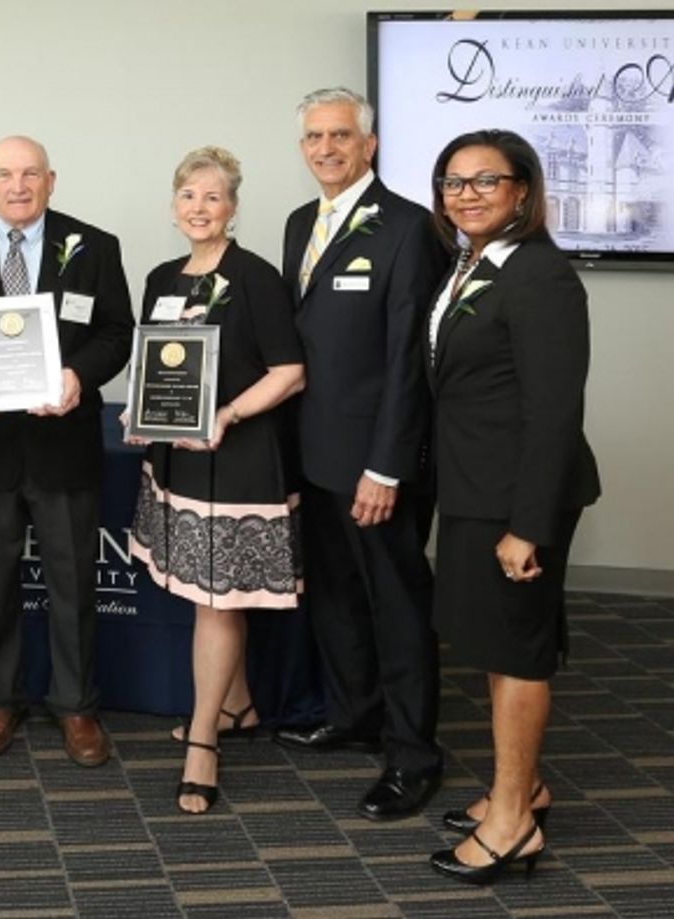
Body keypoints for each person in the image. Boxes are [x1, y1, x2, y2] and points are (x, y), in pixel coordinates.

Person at [0, 136, 133, 767]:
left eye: (31, 174)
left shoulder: (95, 245)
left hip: (63, 444)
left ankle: (76, 705)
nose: (18, 186)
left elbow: (116, 331)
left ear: (51, 180)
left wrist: (78, 376)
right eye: (6, 175)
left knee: (73, 583)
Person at [425, 130, 599, 883]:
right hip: (476, 487)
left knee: (518, 652)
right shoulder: (473, 264)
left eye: (485, 180)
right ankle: (521, 787)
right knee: (499, 647)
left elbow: (554, 412)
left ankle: (511, 824)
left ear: (522, 190)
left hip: (517, 499)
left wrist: (527, 526)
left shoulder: (540, 275)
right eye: (453, 182)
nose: (466, 194)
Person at [275, 87, 449, 819]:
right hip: (314, 454)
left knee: (397, 608)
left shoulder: (410, 228)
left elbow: (411, 360)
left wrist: (386, 467)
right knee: (337, 596)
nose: (326, 148)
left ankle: (413, 755)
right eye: (314, 137)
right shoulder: (299, 223)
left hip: (379, 466)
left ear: (368, 145)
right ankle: (354, 714)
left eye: (340, 135)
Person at [127, 147, 305, 812]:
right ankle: (237, 706)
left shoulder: (255, 277)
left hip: (237, 458)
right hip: (179, 456)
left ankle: (203, 741)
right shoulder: (160, 278)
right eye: (188, 195)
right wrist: (141, 411)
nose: (199, 208)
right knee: (206, 592)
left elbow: (290, 372)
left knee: (216, 599)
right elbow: (156, 365)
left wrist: (226, 413)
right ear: (173, 205)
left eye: (212, 196)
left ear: (232, 207)